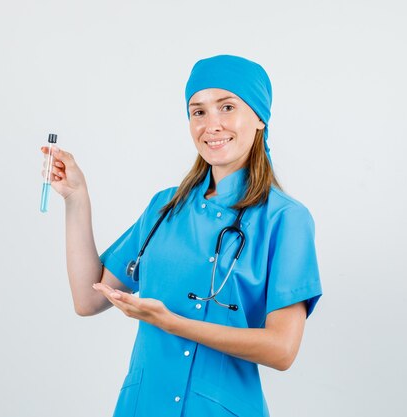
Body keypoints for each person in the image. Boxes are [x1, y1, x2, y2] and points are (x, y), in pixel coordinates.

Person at [41, 55, 322, 417]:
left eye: (227, 107)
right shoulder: (166, 207)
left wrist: (172, 323)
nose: (212, 125)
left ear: (260, 118)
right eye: (198, 112)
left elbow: (282, 349)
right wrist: (76, 197)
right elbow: (88, 298)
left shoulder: (285, 219)